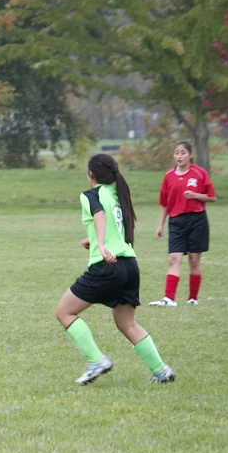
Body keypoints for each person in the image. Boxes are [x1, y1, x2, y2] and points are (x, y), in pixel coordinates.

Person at [55, 153, 174, 385]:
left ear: (91, 174)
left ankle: (96, 361)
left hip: (108, 265)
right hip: (130, 265)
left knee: (64, 312)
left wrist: (100, 244)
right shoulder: (119, 195)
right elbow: (115, 227)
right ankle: (161, 371)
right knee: (127, 323)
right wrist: (93, 239)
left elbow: (99, 215)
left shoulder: (91, 194)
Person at [150, 141, 217, 307]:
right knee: (173, 259)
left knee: (194, 260)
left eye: (183, 153)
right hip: (176, 222)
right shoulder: (168, 176)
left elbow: (212, 197)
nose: (179, 156)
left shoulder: (200, 173)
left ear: (190, 155)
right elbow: (164, 203)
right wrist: (160, 225)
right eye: (176, 153)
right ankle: (169, 298)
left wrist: (195, 195)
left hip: (197, 220)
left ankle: (193, 298)